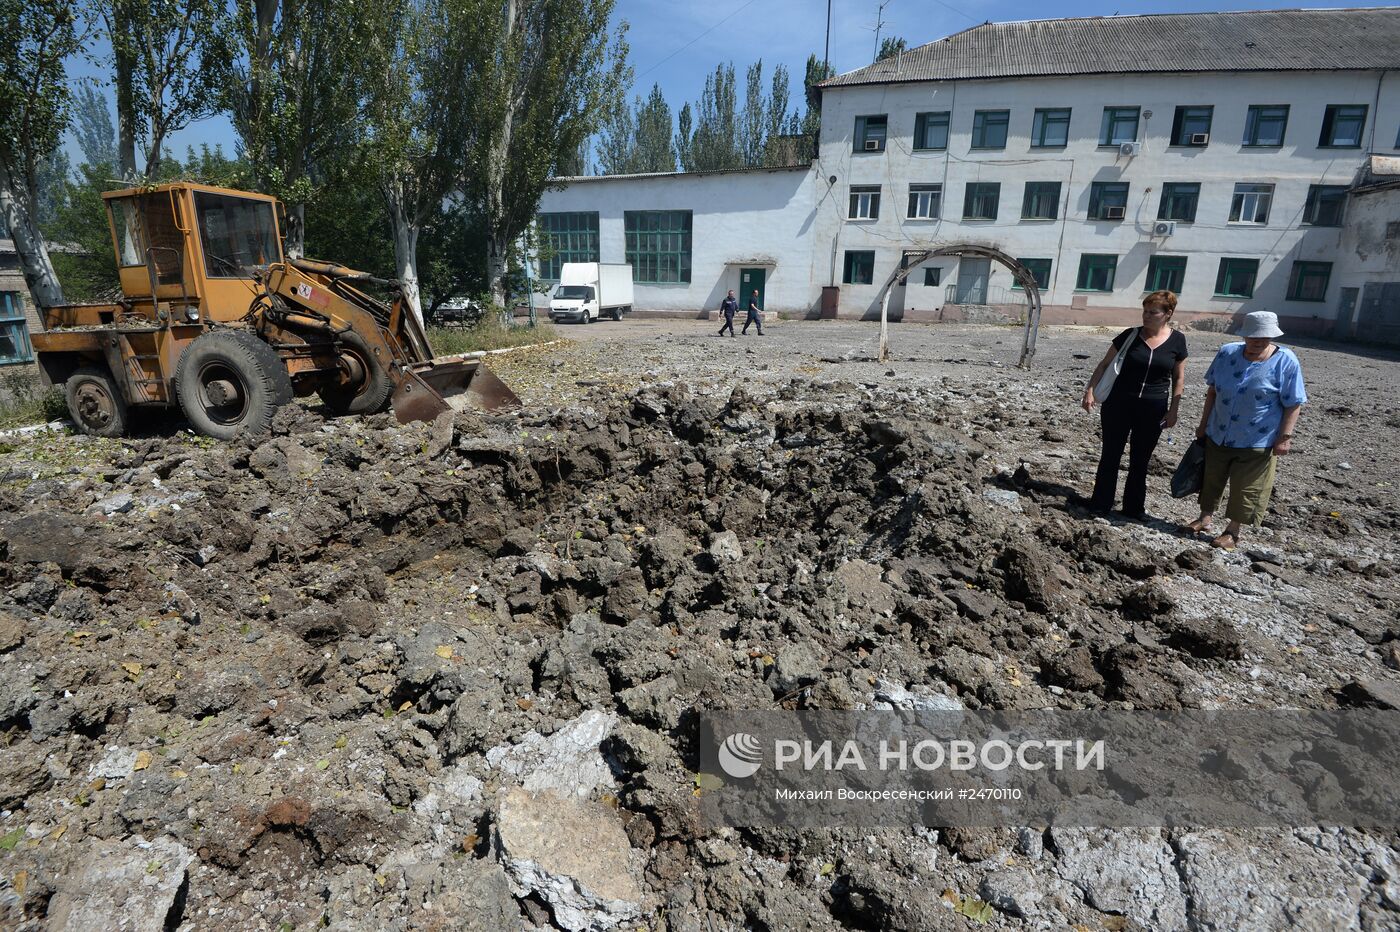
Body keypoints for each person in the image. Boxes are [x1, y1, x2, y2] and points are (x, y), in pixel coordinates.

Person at [1187, 311, 1306, 549]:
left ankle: (1232, 531)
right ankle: (1205, 518)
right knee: (1211, 478)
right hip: (1219, 432)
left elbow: (1294, 403)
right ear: (1244, 336)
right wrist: (1203, 425)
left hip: (1257, 438)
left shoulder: (1286, 360)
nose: (1257, 343)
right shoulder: (1227, 353)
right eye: (1252, 338)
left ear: (1272, 337)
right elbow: (1212, 391)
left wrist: (1284, 438)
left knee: (1247, 486)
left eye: (1263, 338)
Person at [1081, 290, 1188, 520]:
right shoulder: (1130, 335)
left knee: (1140, 460)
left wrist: (1174, 409)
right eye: (1145, 311)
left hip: (1153, 407)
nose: (1146, 316)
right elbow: (1104, 364)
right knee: (1110, 454)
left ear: (1168, 314)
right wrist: (1090, 390)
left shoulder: (1178, 341)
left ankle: (1133, 508)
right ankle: (1100, 504)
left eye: (1153, 312)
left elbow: (1179, 378)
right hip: (1118, 404)